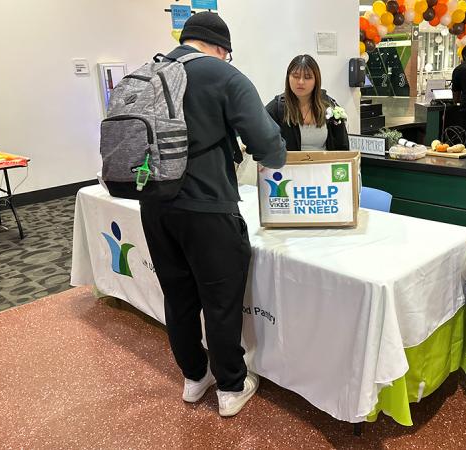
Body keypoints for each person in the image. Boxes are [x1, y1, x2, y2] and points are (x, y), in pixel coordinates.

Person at [139, 12, 286, 417]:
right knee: (219, 300)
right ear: (222, 49)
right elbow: (268, 145)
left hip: (154, 206)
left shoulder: (149, 72)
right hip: (207, 207)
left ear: (185, 39)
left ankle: (193, 378)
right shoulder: (224, 76)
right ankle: (231, 388)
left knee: (178, 295)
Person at [265, 55, 350, 151]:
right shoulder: (276, 108)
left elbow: (342, 148)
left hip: (324, 164)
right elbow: (263, 144)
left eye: (307, 77)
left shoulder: (329, 106)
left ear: (316, 80)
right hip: (289, 165)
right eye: (296, 76)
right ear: (288, 78)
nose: (301, 82)